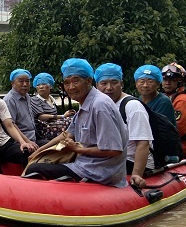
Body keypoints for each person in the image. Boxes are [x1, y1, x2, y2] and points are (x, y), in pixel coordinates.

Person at [25, 58, 128, 187]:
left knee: (34, 170)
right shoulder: (85, 105)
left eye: (76, 81)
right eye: (67, 83)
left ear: (89, 81)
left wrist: (78, 149)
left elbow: (113, 150)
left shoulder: (99, 105)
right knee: (36, 162)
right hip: (85, 164)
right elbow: (67, 134)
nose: (71, 87)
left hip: (99, 172)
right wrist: (39, 151)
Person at [95, 63, 153, 187]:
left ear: (121, 84)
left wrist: (136, 174)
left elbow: (143, 143)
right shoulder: (101, 105)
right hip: (114, 158)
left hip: (131, 161)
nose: (109, 88)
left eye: (114, 82)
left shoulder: (132, 106)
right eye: (104, 83)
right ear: (97, 86)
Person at [3, 69, 45, 146]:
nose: (25, 84)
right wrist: (27, 141)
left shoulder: (27, 96)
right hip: (21, 142)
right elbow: (11, 125)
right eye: (21, 81)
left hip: (34, 137)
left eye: (27, 81)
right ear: (12, 83)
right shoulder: (9, 100)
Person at [30, 72, 76, 140]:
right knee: (72, 124)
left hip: (54, 125)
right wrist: (63, 116)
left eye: (44, 84)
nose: (41, 87)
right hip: (44, 129)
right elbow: (41, 117)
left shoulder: (51, 99)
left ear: (50, 86)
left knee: (75, 119)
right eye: (38, 85)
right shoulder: (34, 100)